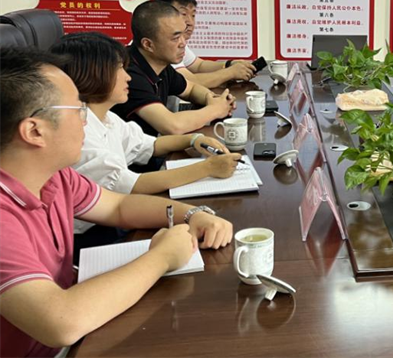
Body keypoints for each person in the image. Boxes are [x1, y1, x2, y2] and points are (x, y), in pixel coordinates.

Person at [0, 48, 233, 358]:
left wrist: (192, 214)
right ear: (34, 130)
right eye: (77, 110)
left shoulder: (55, 176)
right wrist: (163, 257)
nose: (86, 122)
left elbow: (119, 206)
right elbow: (61, 322)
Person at [51, 33, 241, 250]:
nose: (128, 77)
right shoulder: (79, 132)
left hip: (113, 218)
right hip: (92, 236)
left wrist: (193, 139)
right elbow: (134, 186)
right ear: (92, 74)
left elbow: (148, 145)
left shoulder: (106, 116)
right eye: (119, 69)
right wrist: (207, 168)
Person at [111, 0, 235, 137]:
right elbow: (172, 126)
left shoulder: (160, 64)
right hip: (128, 151)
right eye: (175, 38)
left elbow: (190, 89)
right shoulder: (127, 74)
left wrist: (212, 98)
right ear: (148, 44)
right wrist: (216, 110)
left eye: (183, 34)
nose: (183, 43)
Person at [154, 0, 256, 87]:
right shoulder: (164, 45)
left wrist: (230, 64)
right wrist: (231, 72)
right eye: (183, 14)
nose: (190, 22)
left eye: (193, 15)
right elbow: (190, 82)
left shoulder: (179, 42)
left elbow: (198, 65)